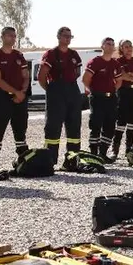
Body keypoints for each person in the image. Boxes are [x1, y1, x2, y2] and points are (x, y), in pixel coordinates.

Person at [39, 26, 83, 163]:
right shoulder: (51, 54)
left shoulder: (74, 54)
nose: (67, 38)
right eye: (65, 36)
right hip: (56, 90)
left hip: (72, 90)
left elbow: (77, 73)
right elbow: (41, 76)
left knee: (74, 124)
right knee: (53, 125)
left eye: (70, 36)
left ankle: (72, 158)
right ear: (58, 37)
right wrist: (52, 91)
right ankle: (50, 159)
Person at [0, 27, 29, 165]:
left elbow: (26, 76)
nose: (13, 38)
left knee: (20, 129)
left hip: (20, 98)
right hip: (2, 97)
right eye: (9, 35)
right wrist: (15, 92)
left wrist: (22, 92)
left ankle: (24, 160)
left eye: (14, 36)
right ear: (2, 37)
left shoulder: (19, 55)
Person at [82, 37, 121, 160]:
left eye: (112, 44)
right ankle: (94, 154)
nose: (110, 46)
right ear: (102, 46)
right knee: (96, 125)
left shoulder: (115, 64)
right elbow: (85, 79)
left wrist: (112, 90)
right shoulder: (95, 62)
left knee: (110, 126)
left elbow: (119, 81)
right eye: (108, 44)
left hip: (111, 98)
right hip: (97, 98)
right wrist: (93, 90)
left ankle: (103, 153)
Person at [111, 39, 133, 159]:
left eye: (130, 46)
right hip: (123, 92)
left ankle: (129, 150)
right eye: (126, 47)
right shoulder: (118, 61)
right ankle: (115, 150)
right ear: (121, 48)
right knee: (121, 122)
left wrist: (130, 74)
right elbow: (121, 75)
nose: (129, 49)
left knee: (132, 123)